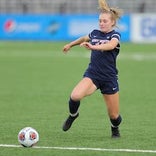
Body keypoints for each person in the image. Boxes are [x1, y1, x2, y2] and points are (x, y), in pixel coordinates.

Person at [62, 0, 123, 138]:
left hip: (109, 78)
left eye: (105, 21)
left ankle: (115, 128)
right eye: (100, 21)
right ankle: (73, 115)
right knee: (75, 96)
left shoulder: (115, 35)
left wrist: (94, 47)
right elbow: (83, 38)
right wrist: (70, 45)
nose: (101, 23)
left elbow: (111, 46)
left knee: (114, 115)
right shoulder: (95, 33)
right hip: (93, 75)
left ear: (112, 22)